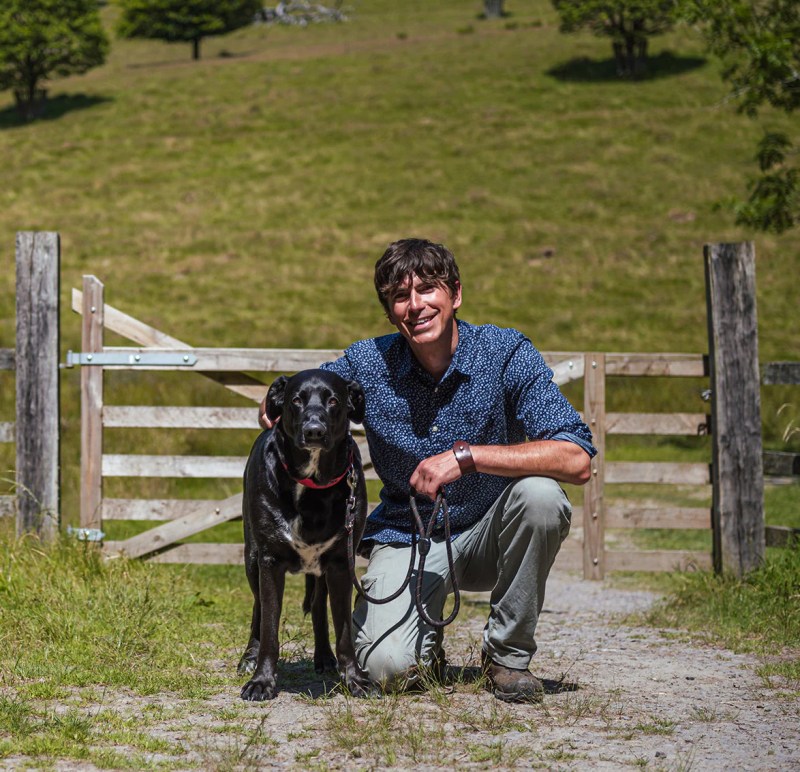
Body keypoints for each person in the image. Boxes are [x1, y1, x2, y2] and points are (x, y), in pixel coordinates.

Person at [259, 238, 596, 703]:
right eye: (400, 296)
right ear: (390, 311)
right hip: (408, 535)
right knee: (384, 668)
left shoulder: (505, 352)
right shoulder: (367, 362)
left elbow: (576, 459)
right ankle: (421, 651)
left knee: (541, 497)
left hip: (490, 530)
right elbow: (314, 388)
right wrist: (278, 404)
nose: (415, 305)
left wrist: (468, 457)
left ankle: (507, 657)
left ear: (455, 293)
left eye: (428, 290)